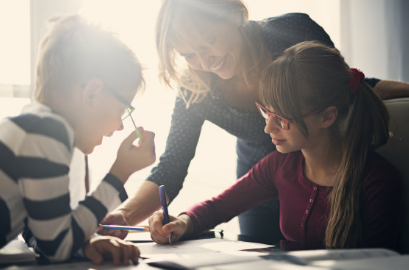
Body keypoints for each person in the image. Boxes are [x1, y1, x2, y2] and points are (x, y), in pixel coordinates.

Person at [100, 0, 409, 242]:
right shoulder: (197, 87)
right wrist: (126, 216)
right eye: (189, 54)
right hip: (261, 180)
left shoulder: (292, 33)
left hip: (334, 178)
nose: (204, 62)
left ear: (235, 15)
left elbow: (345, 85)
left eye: (209, 41)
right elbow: (172, 166)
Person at [149, 41, 403, 249]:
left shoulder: (377, 181)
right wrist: (181, 222)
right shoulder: (281, 165)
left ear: (327, 116)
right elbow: (218, 206)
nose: (268, 128)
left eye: (281, 118)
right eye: (266, 112)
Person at [0, 15, 156, 265]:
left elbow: (40, 232)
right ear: (93, 92)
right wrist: (119, 174)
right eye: (123, 108)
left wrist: (84, 243)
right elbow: (57, 246)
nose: (120, 125)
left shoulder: (32, 128)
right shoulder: (47, 134)